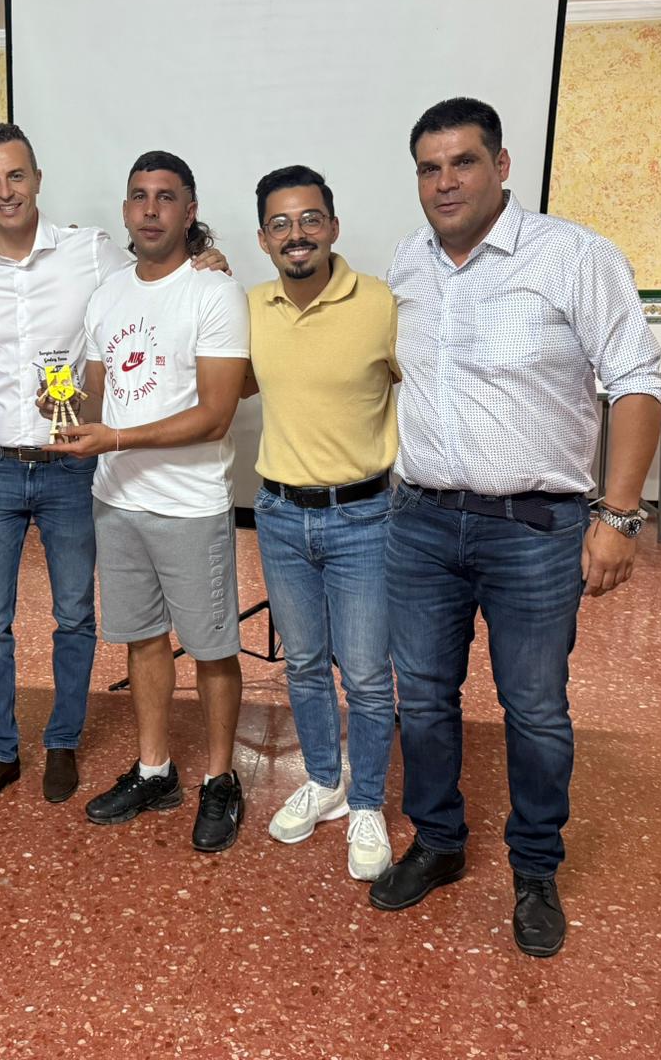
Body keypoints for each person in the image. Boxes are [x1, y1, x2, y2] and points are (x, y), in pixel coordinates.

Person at [369, 97, 661, 957]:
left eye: (462, 162)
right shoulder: (408, 265)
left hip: (534, 528)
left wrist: (618, 515)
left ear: (502, 166)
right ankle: (438, 842)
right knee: (421, 697)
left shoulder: (574, 257)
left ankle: (535, 867)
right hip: (420, 522)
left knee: (533, 708)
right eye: (429, 167)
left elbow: (636, 382)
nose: (445, 181)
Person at [0, 124, 229, 814]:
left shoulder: (90, 251)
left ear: (37, 178)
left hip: (74, 465)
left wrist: (206, 254)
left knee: (75, 615)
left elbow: (153, 277)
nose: (4, 191)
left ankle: (63, 740)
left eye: (15, 176)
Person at [47, 152, 251, 853]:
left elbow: (218, 414)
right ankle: (156, 768)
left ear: (189, 211)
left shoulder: (214, 292)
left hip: (190, 505)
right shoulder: (108, 294)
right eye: (139, 196)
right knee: (142, 641)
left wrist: (116, 437)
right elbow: (98, 398)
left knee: (214, 648)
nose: (151, 208)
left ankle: (221, 780)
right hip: (117, 501)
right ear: (126, 209)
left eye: (167, 197)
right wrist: (66, 407)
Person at [243, 164, 400, 882]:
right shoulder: (249, 307)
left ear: (333, 227)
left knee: (366, 675)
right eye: (280, 223)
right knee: (304, 665)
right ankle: (323, 781)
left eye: (309, 219)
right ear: (263, 238)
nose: (296, 234)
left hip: (366, 515)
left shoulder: (382, 304)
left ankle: (365, 801)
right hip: (277, 515)